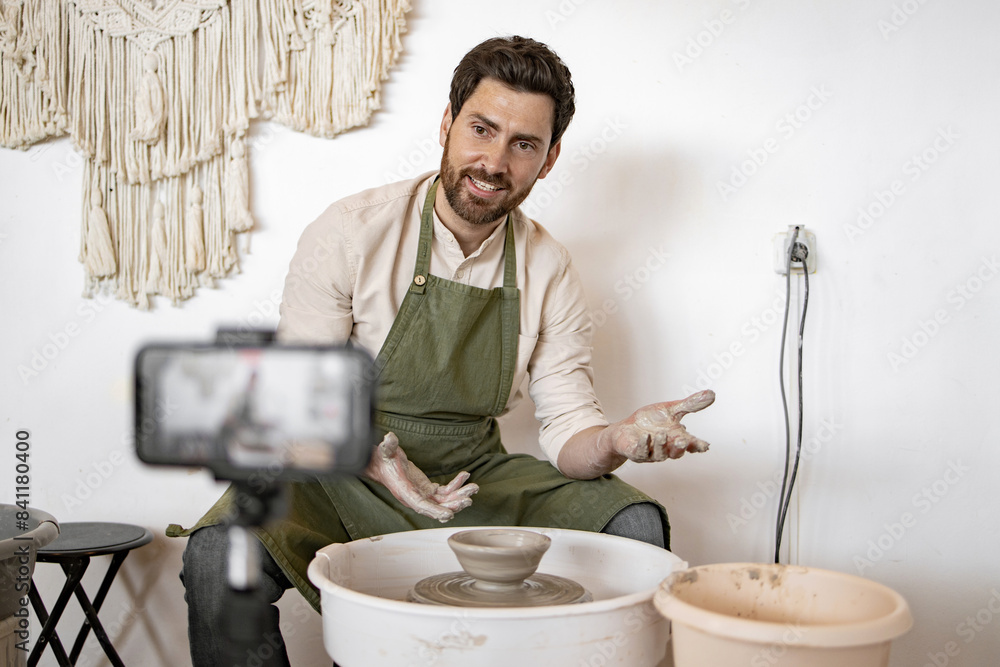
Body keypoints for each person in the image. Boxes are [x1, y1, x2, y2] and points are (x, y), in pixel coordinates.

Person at [175, 35, 715, 666]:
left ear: (550, 158)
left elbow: (569, 429)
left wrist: (617, 440)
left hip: (472, 475)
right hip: (343, 463)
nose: (494, 162)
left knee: (633, 524)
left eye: (524, 144)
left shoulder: (549, 266)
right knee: (219, 553)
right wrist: (371, 458)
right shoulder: (352, 230)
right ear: (446, 123)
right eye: (482, 129)